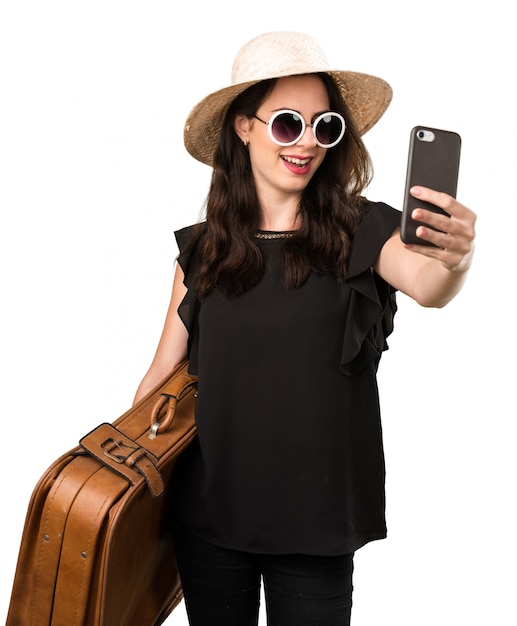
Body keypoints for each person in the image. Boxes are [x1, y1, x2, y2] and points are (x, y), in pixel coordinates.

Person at [133, 31, 476, 626]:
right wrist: (118, 470)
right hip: (209, 516)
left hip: (315, 523)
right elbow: (163, 372)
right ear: (244, 127)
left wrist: (456, 259)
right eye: (288, 123)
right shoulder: (204, 250)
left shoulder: (364, 230)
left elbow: (428, 286)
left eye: (326, 127)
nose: (308, 143)